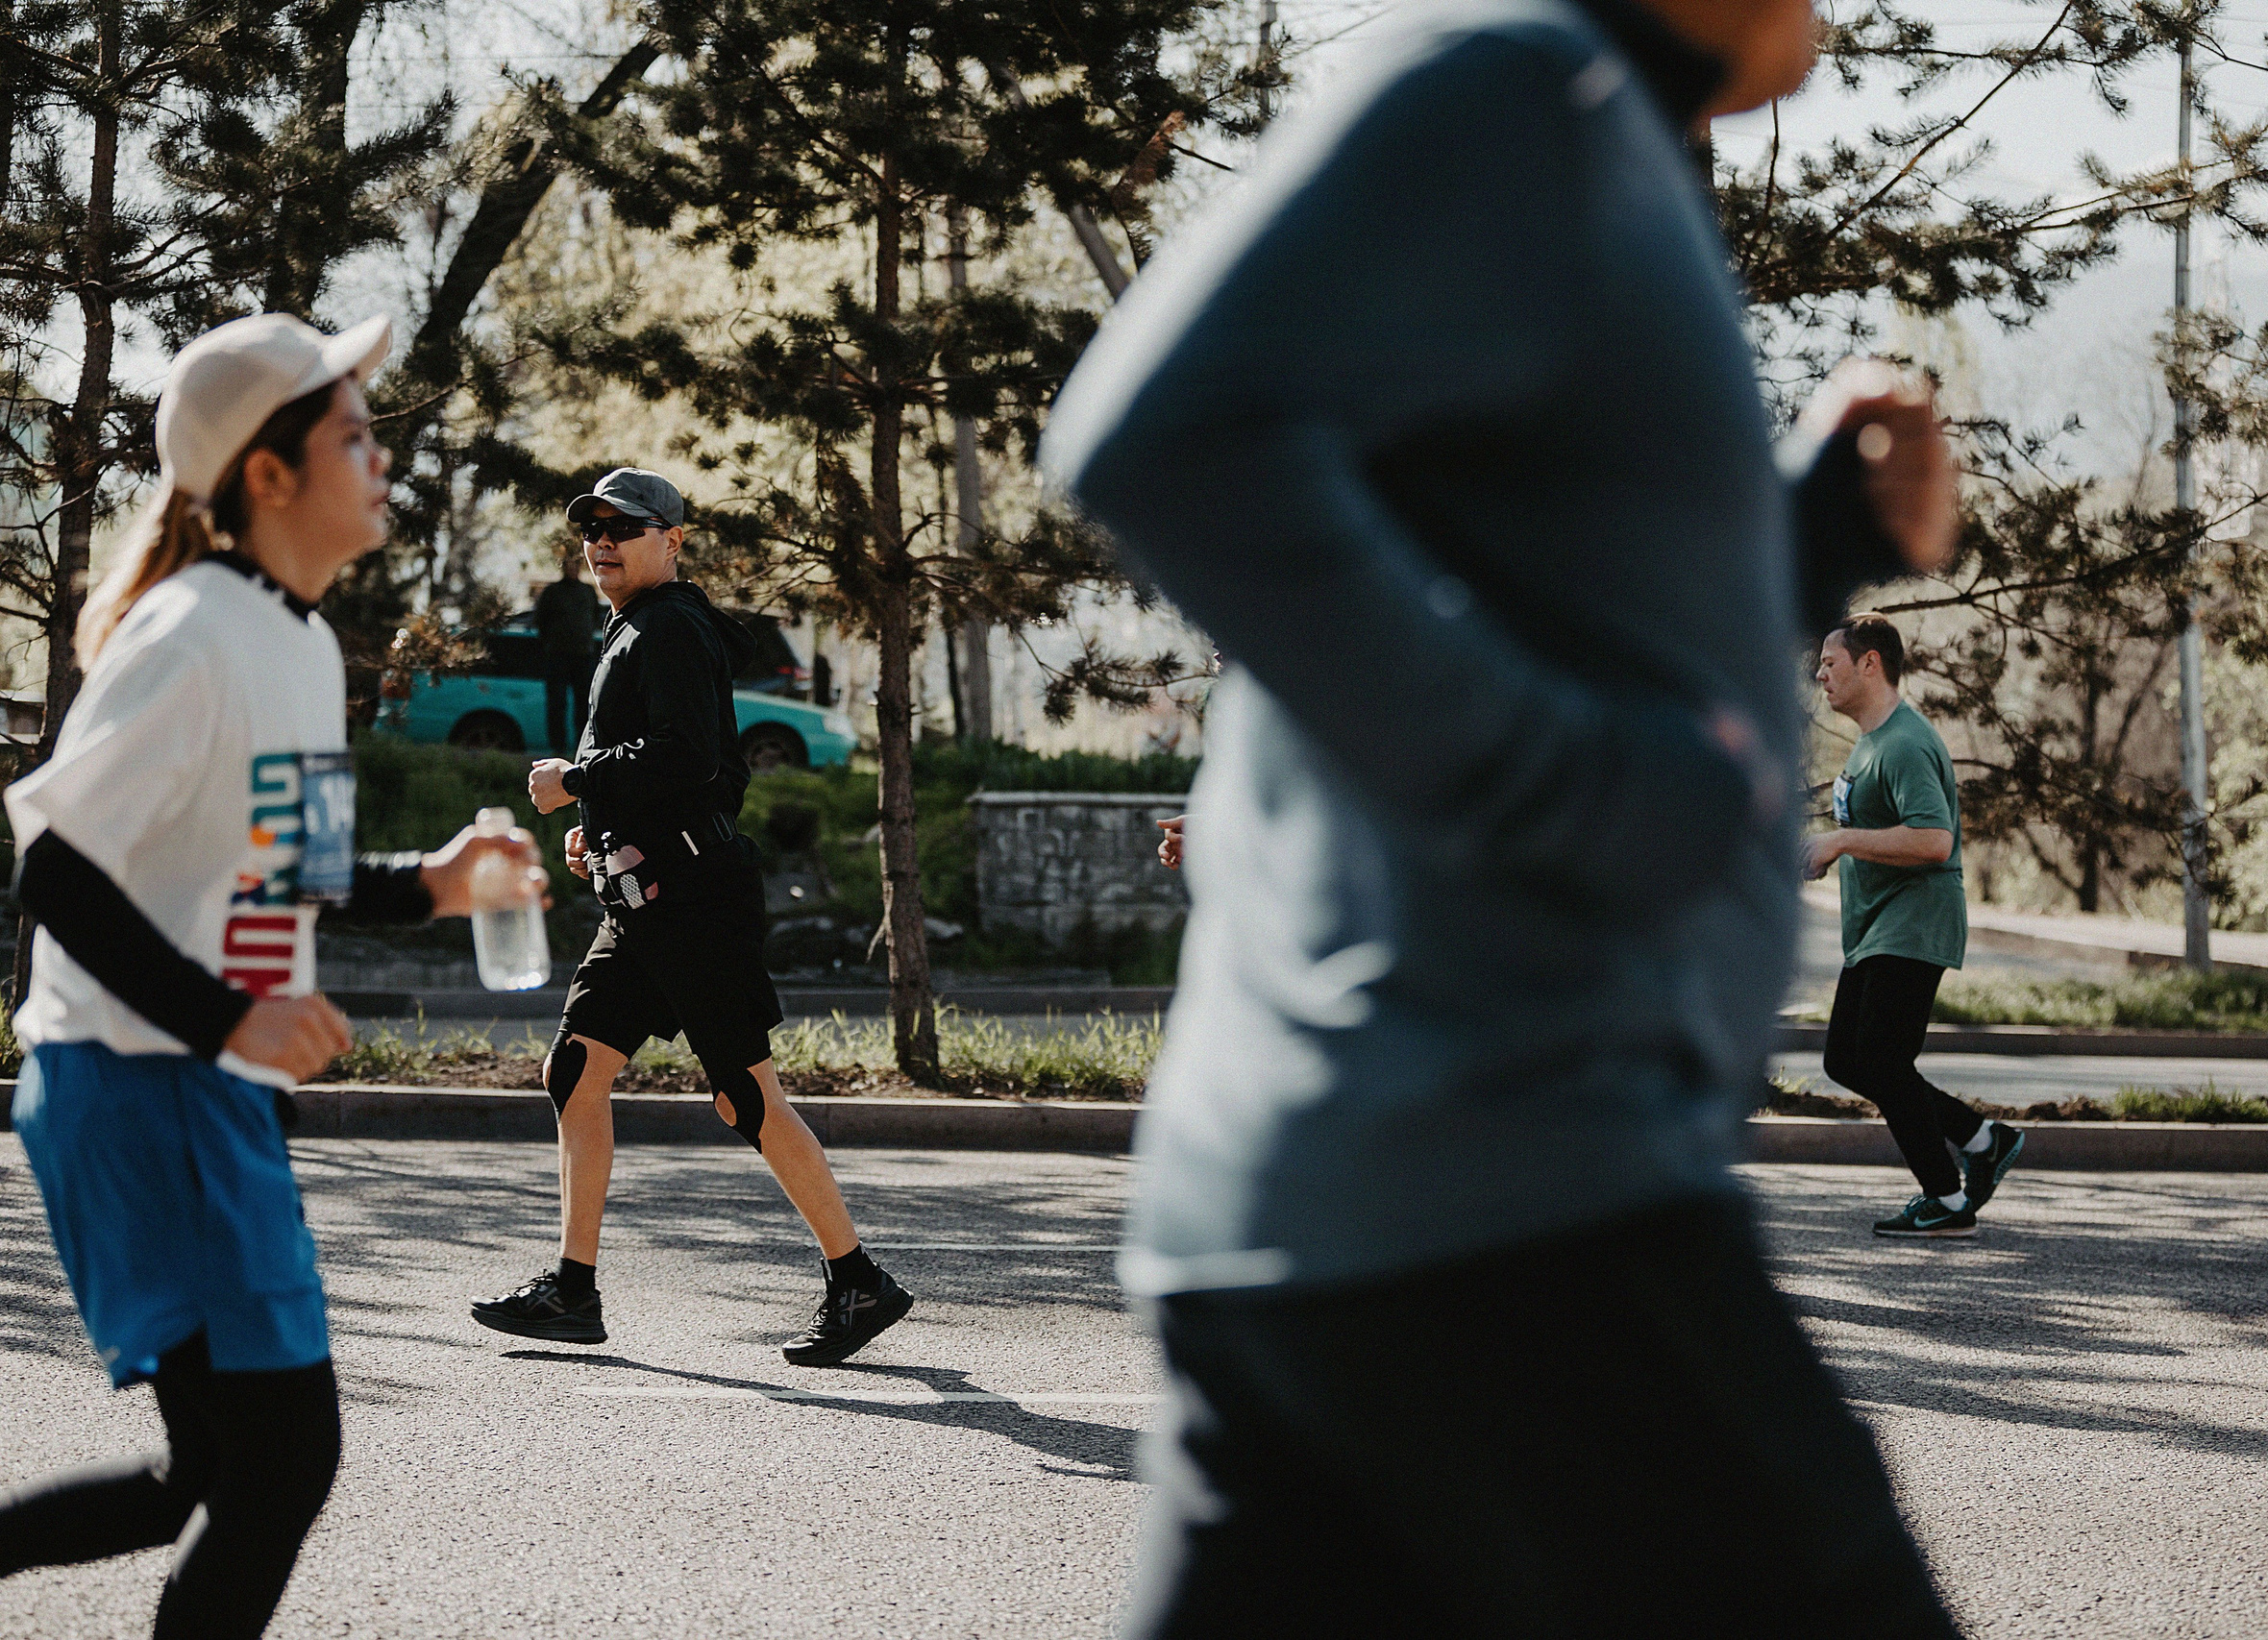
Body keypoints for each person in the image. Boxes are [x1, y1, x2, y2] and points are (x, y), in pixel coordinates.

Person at [1040, 0, 1972, 1633]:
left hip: (1350, 1214)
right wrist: (1582, 786)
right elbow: (1167, 440)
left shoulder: (1592, 141)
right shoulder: (1512, 92)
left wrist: (1798, 542)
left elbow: (1530, 592)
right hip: (1520, 1199)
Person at [0, 312, 543, 1639]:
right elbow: (55, 867)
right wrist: (233, 1013)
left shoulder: (294, 641)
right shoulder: (193, 632)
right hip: (143, 1081)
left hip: (191, 1085)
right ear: (269, 473)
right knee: (284, 1458)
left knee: (221, 1467)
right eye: (354, 435)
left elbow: (292, 866)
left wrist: (434, 878)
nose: (385, 463)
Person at [469, 468, 909, 1366]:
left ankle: (858, 1279)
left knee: (744, 1096)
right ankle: (573, 1289)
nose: (601, 540)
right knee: (575, 1072)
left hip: (694, 905)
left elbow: (691, 755)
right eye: (590, 527)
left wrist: (576, 783)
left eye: (622, 527)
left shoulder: (669, 626)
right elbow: (693, 773)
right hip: (641, 902)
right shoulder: (635, 627)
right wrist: (601, 829)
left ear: (672, 539)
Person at [1805, 614, 2023, 1236]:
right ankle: (1983, 1138)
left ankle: (1948, 1200)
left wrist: (1842, 840)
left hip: (1913, 923)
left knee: (1879, 1056)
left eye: (1830, 661)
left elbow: (1934, 839)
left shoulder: (1902, 742)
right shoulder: (1873, 741)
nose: (1820, 672)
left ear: (1870, 663)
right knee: (1848, 1059)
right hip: (1878, 925)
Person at [534, 551, 604, 755]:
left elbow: (595, 619)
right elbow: (540, 622)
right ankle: (558, 747)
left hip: (583, 656)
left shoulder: (588, 591)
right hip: (558, 656)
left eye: (575, 564)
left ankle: (583, 749)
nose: (572, 568)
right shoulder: (552, 592)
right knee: (557, 704)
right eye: (568, 564)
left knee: (585, 705)